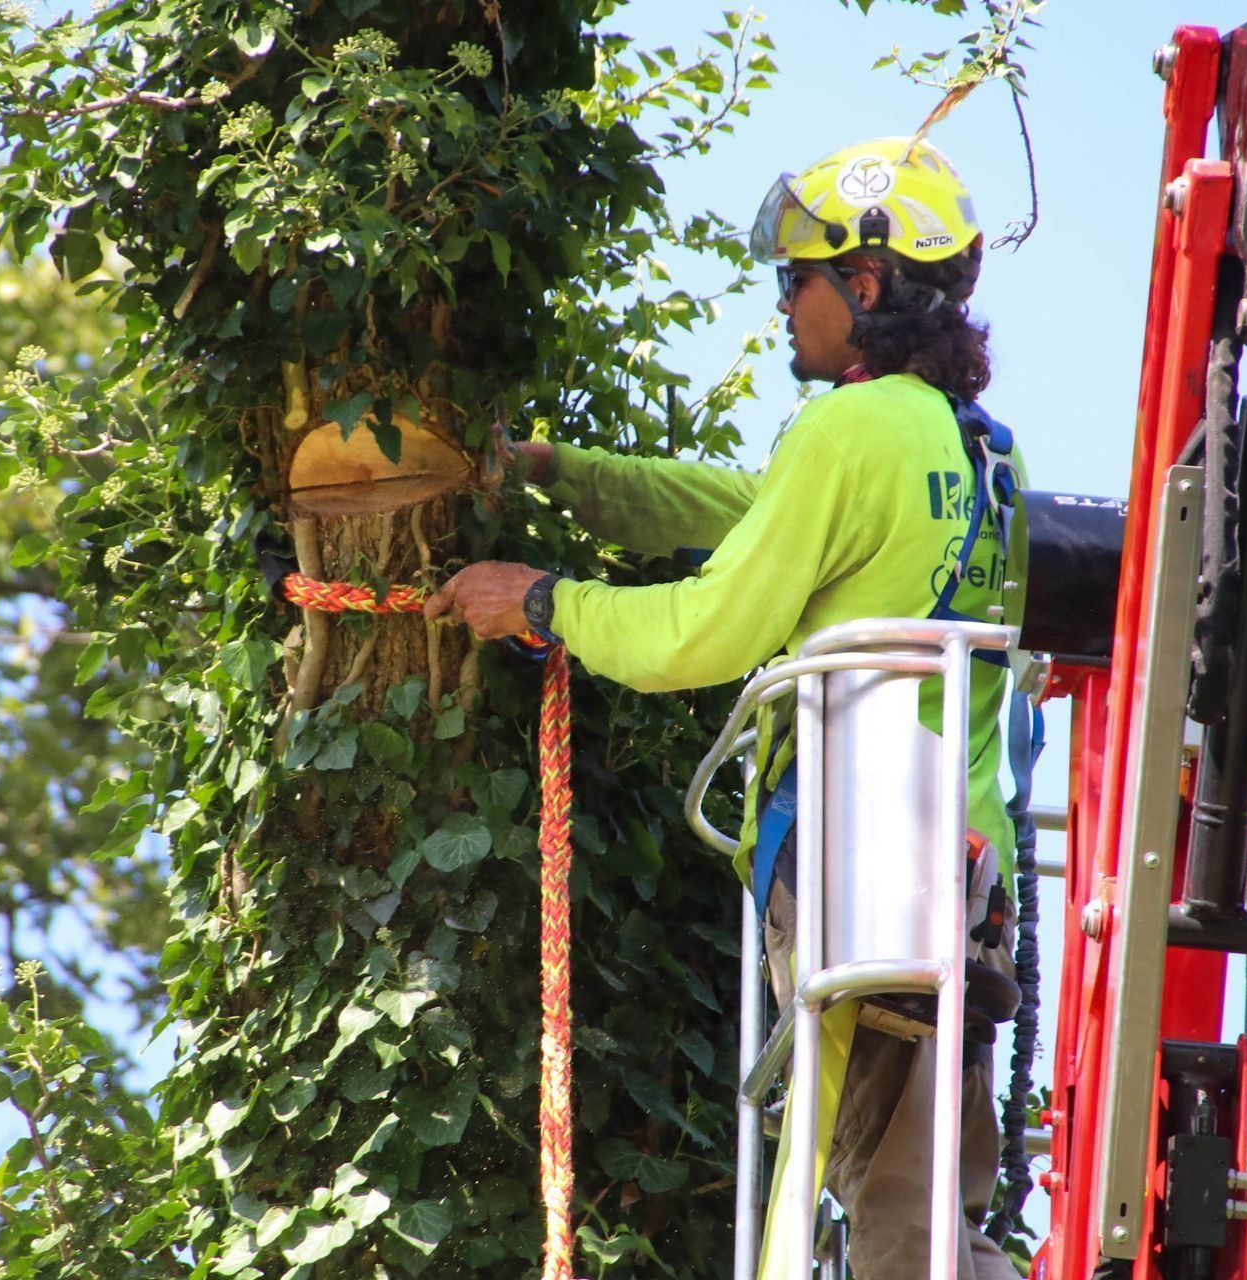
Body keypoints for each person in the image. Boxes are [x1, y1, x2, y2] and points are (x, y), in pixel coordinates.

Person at [424, 136, 1023, 1280]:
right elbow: (750, 514)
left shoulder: (851, 430)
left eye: (798, 276)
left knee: (875, 1211)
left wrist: (544, 600)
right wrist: (562, 472)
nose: (782, 302)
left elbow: (707, 629)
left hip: (868, 866)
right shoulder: (974, 448)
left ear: (867, 282)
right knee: (933, 1203)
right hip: (960, 875)